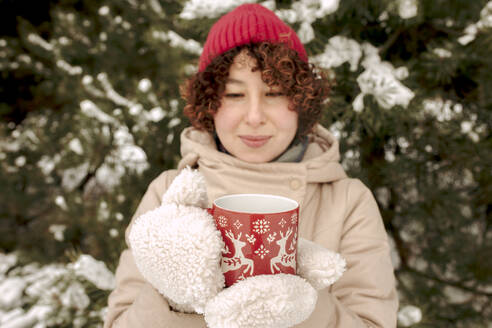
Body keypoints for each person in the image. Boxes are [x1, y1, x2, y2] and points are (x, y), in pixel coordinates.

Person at [104, 3, 398, 328]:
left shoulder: (347, 202)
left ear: (301, 102)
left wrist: (300, 303)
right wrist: (175, 295)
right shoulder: (170, 193)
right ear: (209, 104)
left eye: (274, 92)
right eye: (234, 94)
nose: (255, 117)